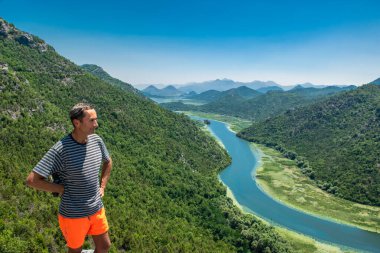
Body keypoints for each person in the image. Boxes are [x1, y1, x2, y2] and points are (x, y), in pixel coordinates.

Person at [26, 103, 113, 253]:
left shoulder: (97, 141)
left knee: (104, 246)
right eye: (92, 120)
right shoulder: (61, 150)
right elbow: (32, 180)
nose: (96, 124)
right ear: (77, 123)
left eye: (96, 120)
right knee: (75, 250)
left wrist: (102, 186)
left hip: (96, 208)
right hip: (73, 214)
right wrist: (60, 188)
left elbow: (108, 161)